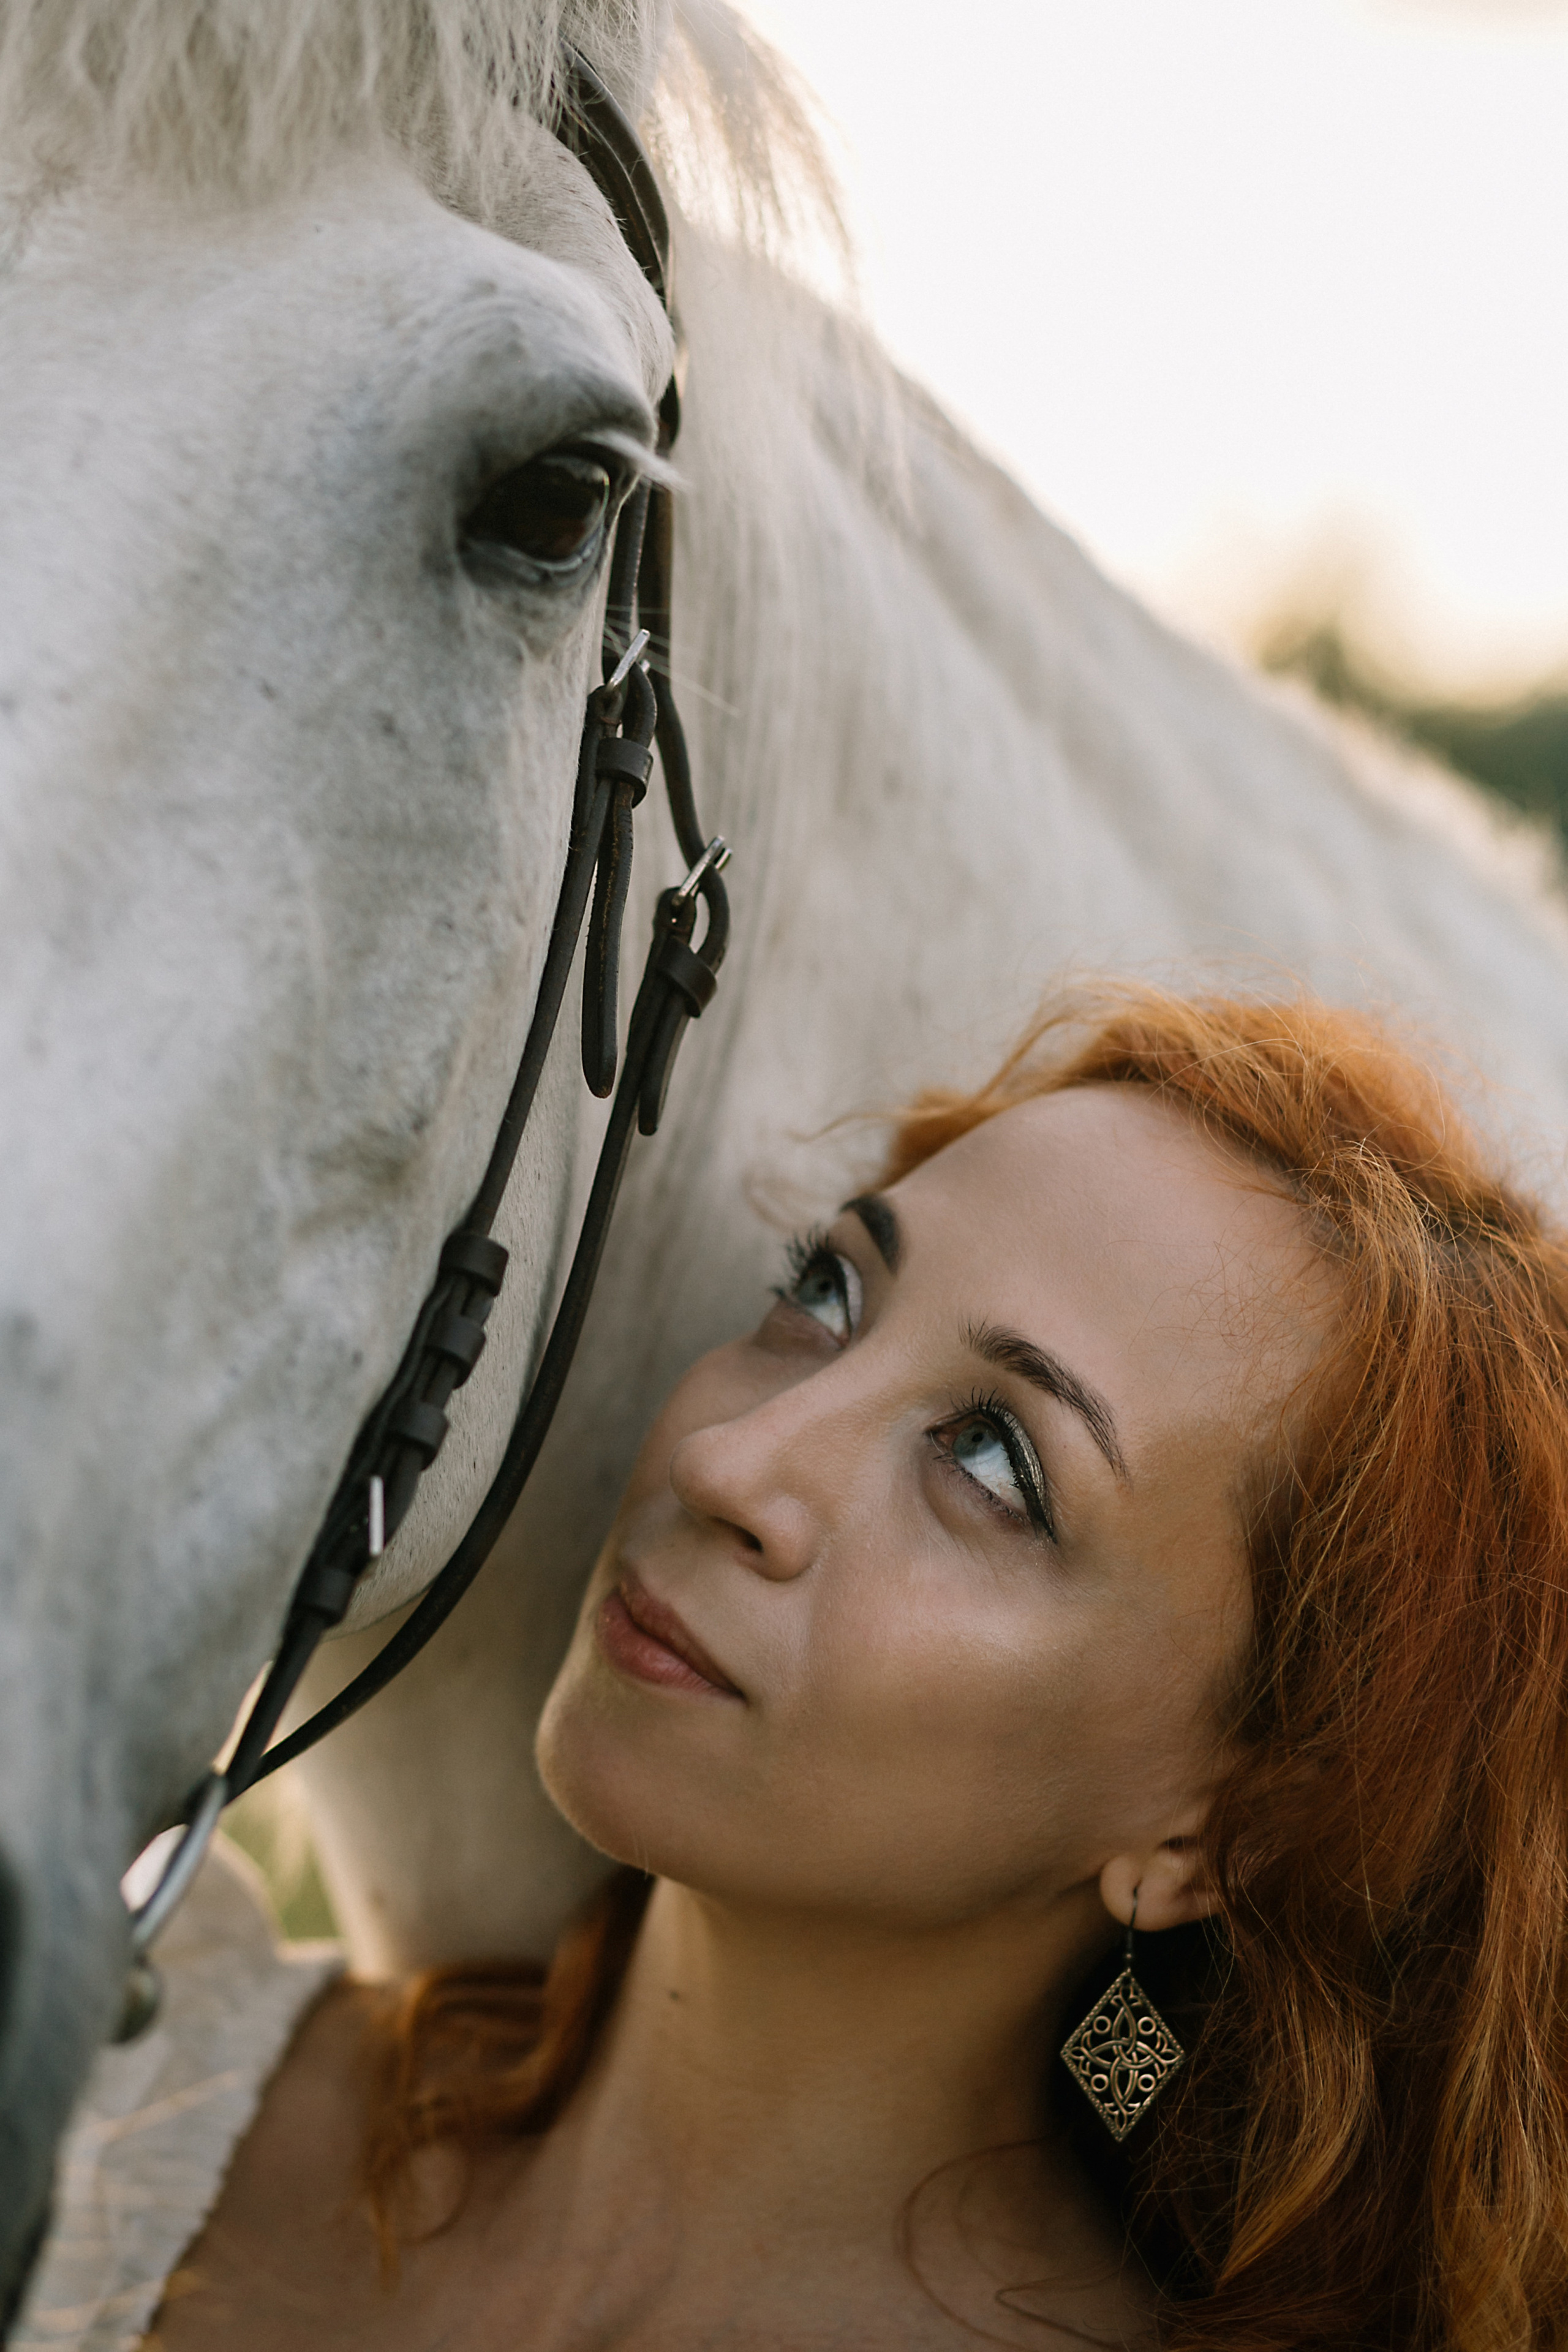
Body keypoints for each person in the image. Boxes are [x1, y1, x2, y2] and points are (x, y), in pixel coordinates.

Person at [146, 984, 1568, 2351]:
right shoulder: (130, 2069)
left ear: (1221, 1828)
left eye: (994, 1460)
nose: (726, 1460)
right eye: (824, 1292)